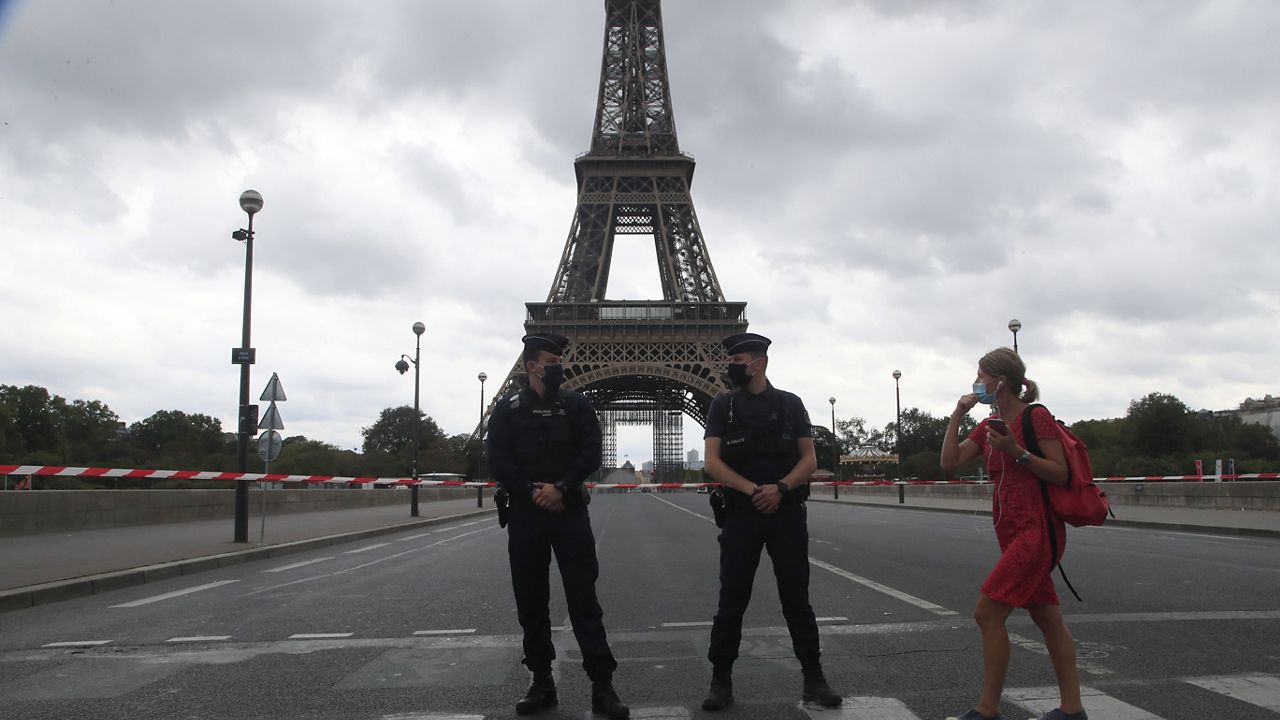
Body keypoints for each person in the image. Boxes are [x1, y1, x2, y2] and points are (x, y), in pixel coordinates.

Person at [939, 347, 1088, 720]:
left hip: (1036, 533)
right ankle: (1073, 711)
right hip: (1012, 533)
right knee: (1048, 619)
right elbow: (950, 463)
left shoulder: (1035, 417)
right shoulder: (989, 425)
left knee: (987, 613)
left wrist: (1016, 451)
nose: (977, 382)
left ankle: (987, 710)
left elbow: (1059, 472)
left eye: (981, 375)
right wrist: (958, 414)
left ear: (1000, 381)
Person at [486, 333, 629, 720]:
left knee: (584, 601)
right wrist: (531, 490)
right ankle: (541, 680)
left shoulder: (576, 405)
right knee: (531, 602)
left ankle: (602, 685)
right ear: (532, 366)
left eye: (559, 360)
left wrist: (561, 488)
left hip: (568, 509)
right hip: (527, 512)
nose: (558, 366)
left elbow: (591, 454)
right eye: (551, 360)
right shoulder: (507, 409)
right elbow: (496, 458)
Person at [699, 332, 842, 711]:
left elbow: (808, 460)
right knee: (732, 600)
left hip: (786, 511)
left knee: (797, 599)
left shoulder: (790, 405)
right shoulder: (722, 405)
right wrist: (753, 490)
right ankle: (721, 680)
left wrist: (779, 488)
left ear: (758, 363)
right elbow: (711, 461)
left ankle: (814, 678)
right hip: (742, 513)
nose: (731, 367)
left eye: (738, 360)